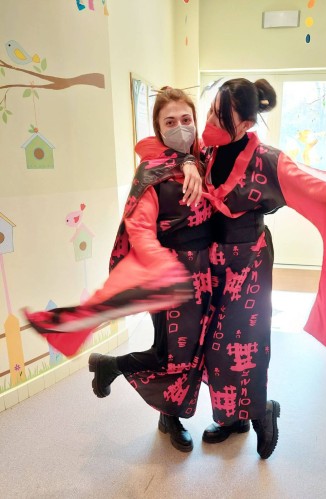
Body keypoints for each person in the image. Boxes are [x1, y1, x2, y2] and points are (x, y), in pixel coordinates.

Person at [198, 77, 326, 460]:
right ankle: (230, 418)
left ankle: (261, 411)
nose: (209, 120)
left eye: (220, 115)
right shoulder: (206, 153)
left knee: (246, 345)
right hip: (213, 263)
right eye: (210, 110)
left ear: (245, 123)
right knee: (214, 345)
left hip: (249, 266)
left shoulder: (267, 160)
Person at [25, 87, 213, 453]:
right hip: (169, 277)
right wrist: (162, 266)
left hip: (206, 275)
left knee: (192, 351)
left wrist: (189, 161)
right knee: (171, 353)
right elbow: (138, 227)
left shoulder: (203, 161)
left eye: (186, 120)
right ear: (159, 130)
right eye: (170, 122)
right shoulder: (151, 172)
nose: (180, 128)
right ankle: (165, 413)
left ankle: (115, 369)